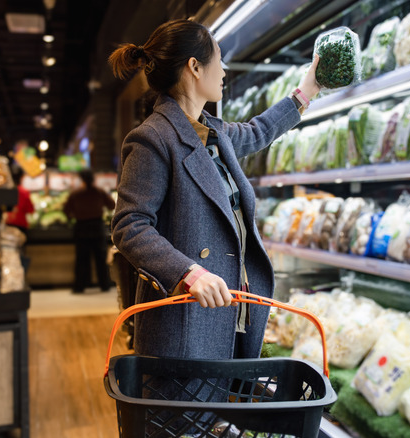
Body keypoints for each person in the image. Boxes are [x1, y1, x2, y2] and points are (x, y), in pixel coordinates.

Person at [109, 19, 320, 363]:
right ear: (194, 67)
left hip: (228, 312)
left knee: (220, 411)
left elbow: (258, 131)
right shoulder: (152, 138)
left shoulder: (212, 133)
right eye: (218, 59)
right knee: (189, 415)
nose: (222, 71)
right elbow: (129, 226)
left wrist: (307, 91)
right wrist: (189, 273)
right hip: (185, 321)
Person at [63, 169, 116, 293]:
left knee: (81, 259)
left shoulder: (76, 193)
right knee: (101, 259)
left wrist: (74, 216)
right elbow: (112, 205)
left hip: (81, 227)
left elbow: (66, 211)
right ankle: (104, 285)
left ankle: (79, 286)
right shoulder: (99, 192)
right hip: (97, 226)